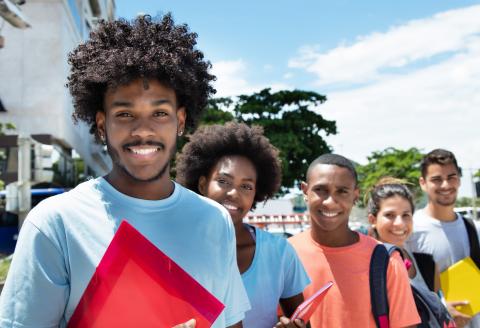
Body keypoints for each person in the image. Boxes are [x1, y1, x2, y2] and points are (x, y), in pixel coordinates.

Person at [0, 15, 250, 328]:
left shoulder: (214, 221)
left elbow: (230, 324)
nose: (143, 130)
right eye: (125, 113)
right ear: (102, 125)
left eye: (160, 113)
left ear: (181, 120)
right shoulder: (56, 223)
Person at [176, 122, 311, 328]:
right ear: (202, 184)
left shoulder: (279, 252)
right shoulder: (174, 249)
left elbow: (302, 322)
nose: (234, 193)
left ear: (256, 193)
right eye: (223, 181)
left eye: (246, 186)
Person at [289, 154, 420, 327]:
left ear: (355, 195)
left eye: (342, 191)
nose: (330, 202)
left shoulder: (387, 261)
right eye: (321, 189)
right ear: (305, 191)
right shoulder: (285, 254)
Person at [407, 149, 480, 328]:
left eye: (451, 177)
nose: (446, 185)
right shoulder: (410, 231)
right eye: (437, 179)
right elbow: (407, 291)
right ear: (423, 183)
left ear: (459, 180)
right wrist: (442, 309)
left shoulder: (473, 228)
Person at [367, 177, 454, 327]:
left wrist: (447, 310)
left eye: (406, 215)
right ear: (373, 220)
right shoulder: (366, 267)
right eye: (390, 215)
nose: (400, 223)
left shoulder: (425, 263)